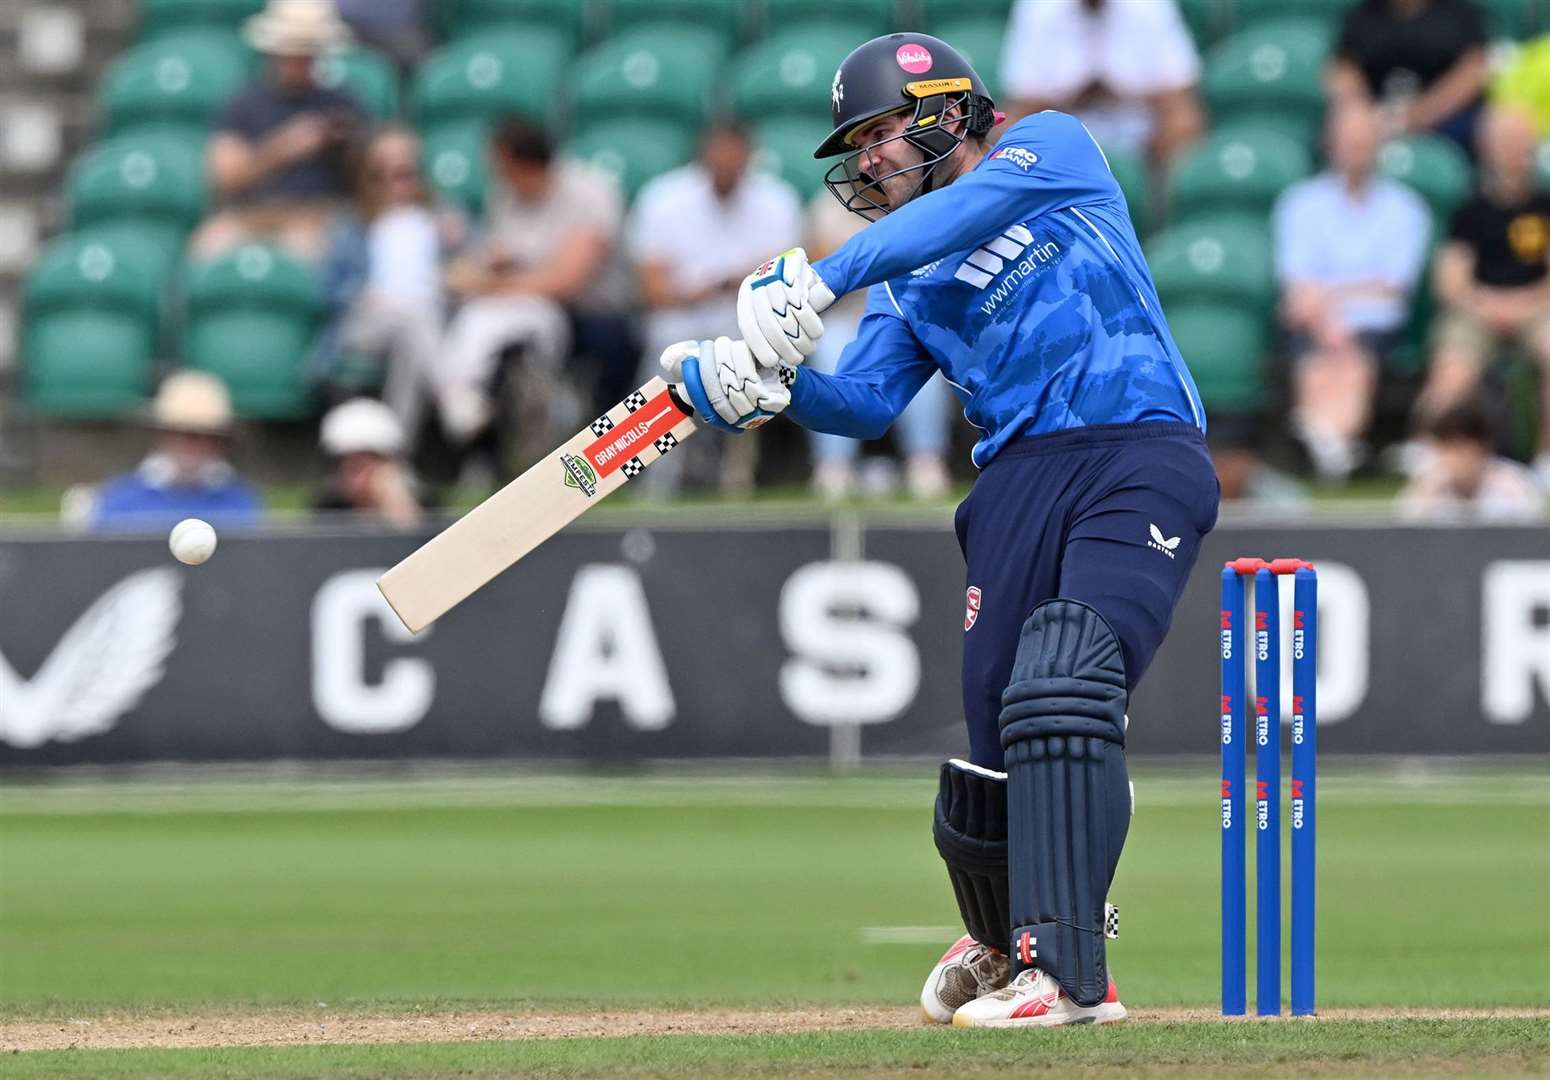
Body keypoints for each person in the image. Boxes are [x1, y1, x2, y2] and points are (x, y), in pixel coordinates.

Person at [659, 33, 1217, 1026]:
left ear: (945, 111)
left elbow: (958, 216)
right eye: (855, 146)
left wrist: (817, 277)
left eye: (875, 134)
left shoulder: (1050, 149)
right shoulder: (910, 276)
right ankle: (1003, 945)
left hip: (1134, 448)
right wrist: (765, 389)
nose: (865, 159)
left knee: (1065, 680)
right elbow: (868, 402)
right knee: (995, 746)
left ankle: (1072, 974)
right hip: (1010, 488)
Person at [440, 117, 631, 471]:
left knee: (497, 320)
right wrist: (479, 273)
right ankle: (468, 408)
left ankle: (473, 403)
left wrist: (491, 286)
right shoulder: (506, 195)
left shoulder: (590, 193)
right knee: (473, 320)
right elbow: (499, 254)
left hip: (591, 314)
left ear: (521, 162)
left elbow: (568, 281)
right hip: (522, 306)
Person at [628, 117, 803, 494]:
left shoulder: (776, 199)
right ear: (702, 154)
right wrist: (707, 289)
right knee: (666, 355)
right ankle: (656, 479)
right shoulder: (664, 197)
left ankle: (737, 478)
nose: (725, 162)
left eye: (733, 153)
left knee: (754, 355)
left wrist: (728, 285)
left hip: (747, 321)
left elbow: (788, 285)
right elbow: (653, 289)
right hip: (681, 318)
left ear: (748, 155)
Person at [1272, 100, 1432, 482]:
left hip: (1373, 322)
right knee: (1323, 356)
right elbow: (1295, 282)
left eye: (1364, 141)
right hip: (1314, 321)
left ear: (1379, 146)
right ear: (1331, 144)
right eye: (1348, 141)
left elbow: (1393, 288)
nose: (1355, 150)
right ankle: (1335, 447)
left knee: (1351, 358)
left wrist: (1328, 304)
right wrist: (1329, 318)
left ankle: (1320, 438)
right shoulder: (1300, 203)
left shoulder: (1406, 208)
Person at [1420, 105, 1550, 487]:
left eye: (1519, 142)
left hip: (1537, 308)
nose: (1512, 150)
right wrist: (1488, 305)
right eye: (1503, 142)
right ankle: (1435, 455)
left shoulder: (1545, 207)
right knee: (1453, 366)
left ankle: (1546, 461)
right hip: (1477, 310)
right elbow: (1451, 280)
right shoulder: (1470, 211)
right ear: (1487, 148)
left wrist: (1523, 304)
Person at [313, 126, 462, 444]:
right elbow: (329, 286)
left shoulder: (442, 218)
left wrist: (454, 246)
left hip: (423, 322)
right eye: (382, 175)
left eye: (405, 173)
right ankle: (452, 396)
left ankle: (396, 451)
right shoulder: (352, 222)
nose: (395, 184)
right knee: (412, 317)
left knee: (410, 339)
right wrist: (360, 295)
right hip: (365, 323)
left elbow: (470, 273)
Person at [804, 190, 955, 500]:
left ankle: (925, 460)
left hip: (908, 318)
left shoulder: (921, 200)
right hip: (847, 318)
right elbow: (818, 273)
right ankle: (834, 464)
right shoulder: (830, 205)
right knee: (831, 349)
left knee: (925, 361)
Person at [192, 0, 366, 264]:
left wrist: (347, 148)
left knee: (302, 253)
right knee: (207, 249)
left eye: (306, 53)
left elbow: (366, 175)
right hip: (248, 215)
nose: (299, 61)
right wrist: (285, 147)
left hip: (314, 214)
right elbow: (225, 176)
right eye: (292, 52)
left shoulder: (340, 104)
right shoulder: (244, 103)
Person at [998, 0, 1203, 170]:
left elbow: (1177, 91)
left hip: (1139, 137)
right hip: (1061, 136)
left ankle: (1159, 209)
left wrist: (1120, 92)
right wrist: (1077, 93)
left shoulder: (1150, 6)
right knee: (1006, 131)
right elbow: (1023, 99)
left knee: (1183, 123)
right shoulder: (1038, 7)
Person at [89, 371, 264, 532]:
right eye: (186, 435)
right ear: (163, 434)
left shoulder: (240, 502)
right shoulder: (121, 500)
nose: (196, 447)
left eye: (209, 436)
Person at [1328, 0, 1490, 153]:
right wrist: (1362, 112)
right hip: (1376, 118)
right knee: (1347, 126)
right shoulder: (1363, 14)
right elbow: (1343, 69)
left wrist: (1419, 114)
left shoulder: (1460, 13)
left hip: (1446, 121)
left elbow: (1474, 69)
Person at [1397, 397, 1545, 518]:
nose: (1451, 459)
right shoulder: (1429, 483)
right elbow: (1403, 530)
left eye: (1459, 449)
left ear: (1482, 447)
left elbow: (1533, 532)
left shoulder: (1514, 484)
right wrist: (1428, 490)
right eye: (1445, 450)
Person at [313, 397, 426, 526]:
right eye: (343, 465)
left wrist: (400, 508)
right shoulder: (326, 513)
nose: (352, 477)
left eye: (360, 465)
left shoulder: (431, 511)